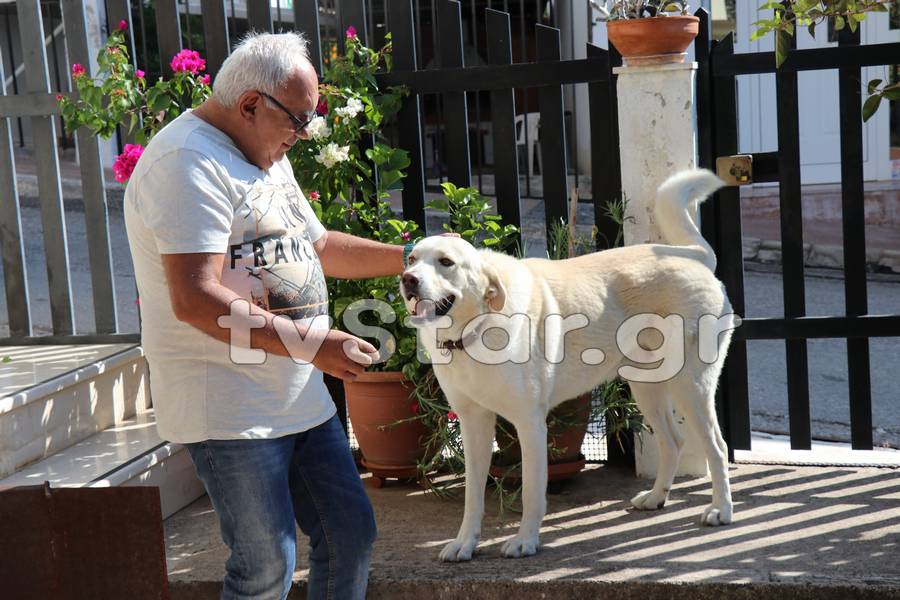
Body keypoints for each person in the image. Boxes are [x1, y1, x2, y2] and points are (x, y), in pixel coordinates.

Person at [124, 32, 411, 600]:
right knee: (264, 567)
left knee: (350, 534)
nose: (303, 136)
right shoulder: (188, 162)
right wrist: (314, 344)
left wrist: (416, 258)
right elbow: (195, 298)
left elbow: (320, 244)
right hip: (231, 410)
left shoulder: (262, 150)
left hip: (295, 396)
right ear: (251, 104)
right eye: (298, 120)